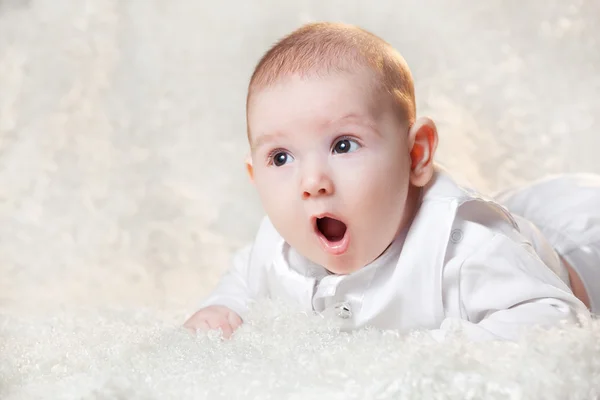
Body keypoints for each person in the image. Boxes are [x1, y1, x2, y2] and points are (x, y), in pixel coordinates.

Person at [183, 22, 592, 341]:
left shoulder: (465, 248)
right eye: (281, 158)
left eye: (343, 145)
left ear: (416, 155)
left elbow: (557, 322)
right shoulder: (276, 246)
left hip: (578, 238)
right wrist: (221, 311)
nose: (311, 182)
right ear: (255, 178)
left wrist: (443, 351)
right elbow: (241, 283)